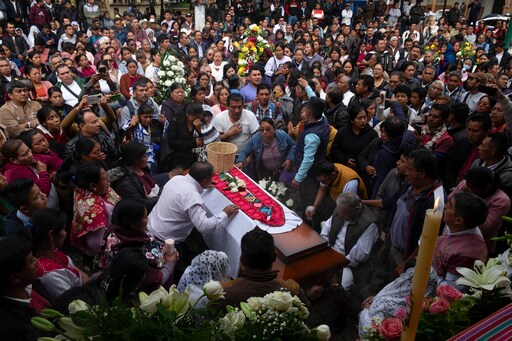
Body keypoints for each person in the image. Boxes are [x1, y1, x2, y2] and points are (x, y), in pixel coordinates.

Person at [359, 193, 488, 338]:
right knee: (378, 302)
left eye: (450, 206)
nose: (444, 207)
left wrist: (425, 264)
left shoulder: (468, 253)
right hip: (420, 277)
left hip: (429, 295)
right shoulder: (456, 227)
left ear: (459, 220)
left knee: (377, 319)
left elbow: (450, 291)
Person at [147, 161, 239, 267]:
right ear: (204, 181)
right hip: (165, 240)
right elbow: (204, 226)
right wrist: (225, 213)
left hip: (153, 225)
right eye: (210, 179)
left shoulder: (177, 179)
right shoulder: (193, 198)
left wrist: (203, 186)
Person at [99, 199, 178, 293]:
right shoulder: (131, 256)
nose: (148, 219)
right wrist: (170, 262)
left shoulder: (115, 231)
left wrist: (163, 247)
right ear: (133, 224)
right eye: (145, 217)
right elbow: (157, 280)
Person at [219, 227, 309, 310]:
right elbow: (305, 310)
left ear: (242, 260)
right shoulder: (291, 289)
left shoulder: (224, 292)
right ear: (275, 256)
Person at [320, 192, 379, 310]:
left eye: (344, 213)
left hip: (348, 263)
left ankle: (341, 311)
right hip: (330, 252)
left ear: (356, 209)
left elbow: (360, 254)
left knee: (342, 287)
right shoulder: (339, 211)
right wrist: (325, 251)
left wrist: (336, 264)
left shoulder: (369, 223)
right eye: (339, 212)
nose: (340, 216)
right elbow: (325, 232)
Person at [449, 167, 510, 255]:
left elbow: (485, 228)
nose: (466, 186)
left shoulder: (501, 200)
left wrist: (470, 200)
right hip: (452, 236)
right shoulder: (465, 185)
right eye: (467, 184)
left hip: (477, 247)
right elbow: (449, 203)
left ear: (487, 188)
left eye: (472, 187)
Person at [32, 208, 88, 301]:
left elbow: (80, 273)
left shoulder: (50, 250)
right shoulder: (49, 275)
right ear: (51, 235)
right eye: (64, 229)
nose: (66, 233)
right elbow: (74, 303)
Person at [0, 235, 47, 339]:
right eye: (31, 261)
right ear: (15, 277)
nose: (37, 260)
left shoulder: (33, 283)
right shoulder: (12, 327)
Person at [71, 161, 121, 256]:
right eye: (104, 179)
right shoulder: (93, 210)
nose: (108, 180)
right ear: (93, 186)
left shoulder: (93, 189)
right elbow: (96, 243)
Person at [291, 97, 330, 215]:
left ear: (309, 112)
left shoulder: (312, 136)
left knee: (307, 198)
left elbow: (308, 159)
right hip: (318, 165)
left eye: (306, 108)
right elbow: (317, 104)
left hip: (310, 175)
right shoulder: (323, 120)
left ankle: (308, 218)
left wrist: (298, 178)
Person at [308, 160, 367, 230]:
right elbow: (322, 190)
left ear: (333, 175)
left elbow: (347, 206)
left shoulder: (350, 184)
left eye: (324, 181)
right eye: (320, 181)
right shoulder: (328, 172)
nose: (322, 183)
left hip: (351, 208)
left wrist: (330, 222)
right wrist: (314, 206)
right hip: (338, 199)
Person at [235, 118, 295, 182]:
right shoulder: (255, 139)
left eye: (268, 129)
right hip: (265, 172)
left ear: (274, 129)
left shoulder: (282, 135)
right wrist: (240, 161)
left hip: (283, 168)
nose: (265, 132)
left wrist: (289, 159)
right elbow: (244, 151)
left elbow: (293, 146)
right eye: (262, 130)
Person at [331, 105, 378, 170]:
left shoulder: (372, 134)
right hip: (343, 167)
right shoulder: (343, 131)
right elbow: (334, 149)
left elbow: (374, 154)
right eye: (359, 118)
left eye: (365, 117)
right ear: (352, 120)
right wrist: (345, 160)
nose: (363, 121)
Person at [166, 102, 204, 170]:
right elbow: (172, 142)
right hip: (178, 157)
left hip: (195, 156)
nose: (196, 119)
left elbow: (203, 139)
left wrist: (199, 130)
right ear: (187, 114)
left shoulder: (201, 121)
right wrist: (193, 143)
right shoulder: (175, 122)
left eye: (198, 117)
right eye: (194, 117)